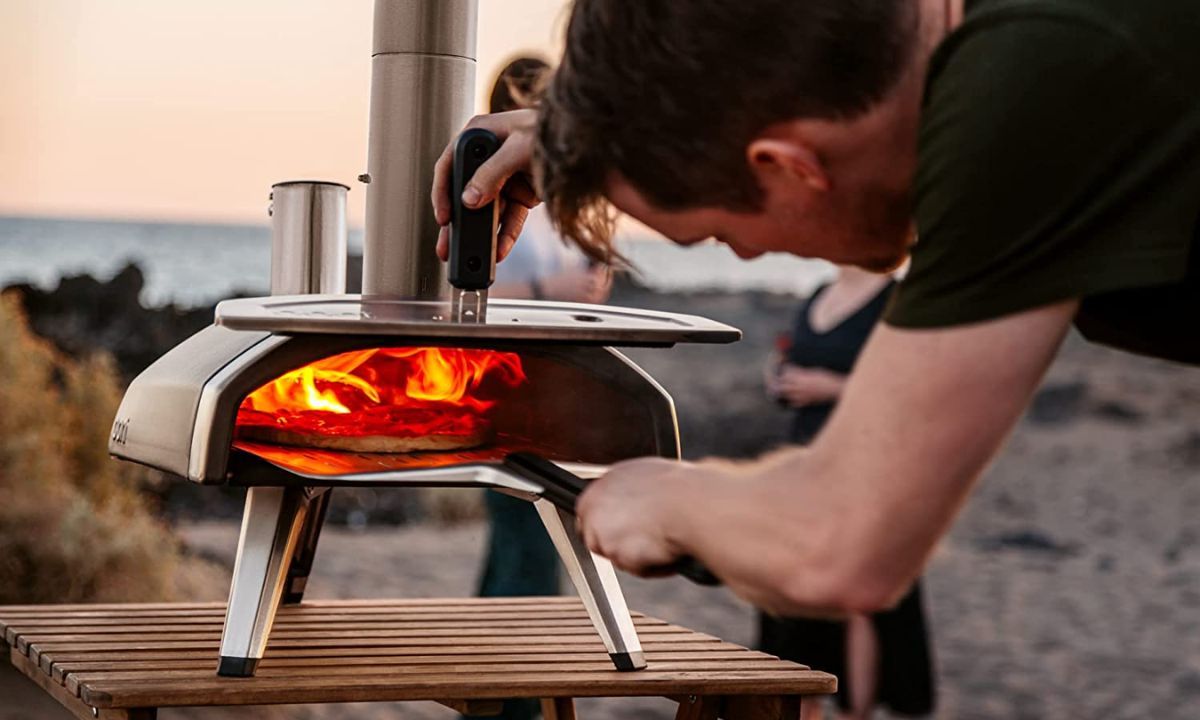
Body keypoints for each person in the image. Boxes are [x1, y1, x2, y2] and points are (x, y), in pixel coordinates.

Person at [430, 0, 1200, 628]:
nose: (744, 257)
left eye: (721, 237)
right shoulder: (1018, 53)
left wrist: (659, 497)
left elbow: (836, 544)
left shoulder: (1033, 83)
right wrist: (582, 134)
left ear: (788, 167)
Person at [468, 56, 611, 720]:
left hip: (559, 386)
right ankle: (511, 697)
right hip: (505, 388)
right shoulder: (490, 180)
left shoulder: (563, 195)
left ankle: (495, 692)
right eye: (532, 97)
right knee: (527, 538)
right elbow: (470, 290)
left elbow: (589, 284)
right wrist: (553, 291)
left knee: (535, 543)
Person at [763, 266, 933, 720]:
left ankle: (856, 710)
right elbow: (795, 354)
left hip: (869, 463)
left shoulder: (898, 300)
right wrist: (782, 378)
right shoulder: (820, 291)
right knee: (800, 590)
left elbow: (918, 388)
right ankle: (808, 703)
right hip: (804, 459)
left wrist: (830, 387)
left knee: (860, 597)